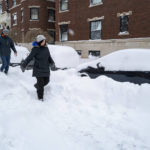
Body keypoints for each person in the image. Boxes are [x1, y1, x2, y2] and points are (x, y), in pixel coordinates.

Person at [20, 35, 56, 101]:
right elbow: (29, 58)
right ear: (39, 42)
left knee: (47, 81)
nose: (44, 42)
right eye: (43, 41)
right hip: (38, 69)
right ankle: (40, 98)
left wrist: (52, 63)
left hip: (46, 68)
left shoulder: (46, 48)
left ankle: (37, 86)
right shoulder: (35, 49)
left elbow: (49, 56)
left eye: (45, 41)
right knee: (41, 84)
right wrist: (23, 65)